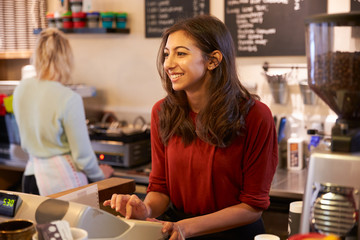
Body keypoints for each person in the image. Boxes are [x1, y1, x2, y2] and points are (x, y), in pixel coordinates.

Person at [103, 15, 278, 240]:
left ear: (213, 60)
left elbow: (253, 206)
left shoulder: (256, 116)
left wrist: (188, 227)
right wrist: (144, 210)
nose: (168, 63)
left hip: (234, 235)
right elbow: (160, 188)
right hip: (179, 232)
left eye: (181, 53)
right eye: (167, 54)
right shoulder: (162, 112)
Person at [13, 28, 114, 196]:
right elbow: (82, 156)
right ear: (66, 59)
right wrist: (100, 175)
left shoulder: (21, 89)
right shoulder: (69, 98)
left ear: (37, 55)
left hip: (30, 178)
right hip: (62, 181)